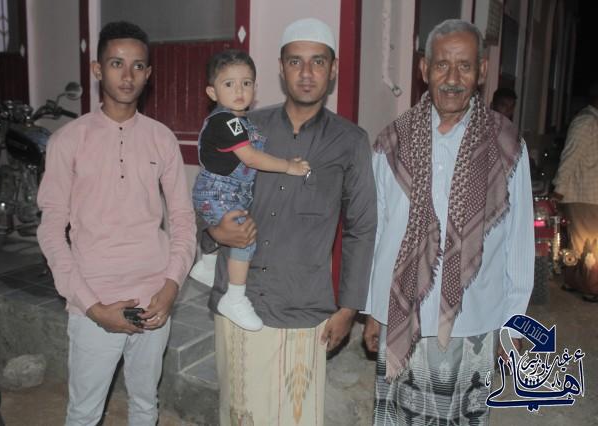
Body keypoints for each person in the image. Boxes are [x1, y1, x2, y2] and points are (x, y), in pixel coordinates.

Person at [198, 18, 377, 425]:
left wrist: (349, 307)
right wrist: (212, 232)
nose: (306, 72)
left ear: (333, 69)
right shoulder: (245, 126)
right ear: (281, 68)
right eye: (295, 61)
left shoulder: (350, 141)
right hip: (240, 301)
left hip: (303, 307)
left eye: (318, 61)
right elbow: (210, 185)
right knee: (239, 415)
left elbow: (361, 227)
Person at [362, 19, 534, 425]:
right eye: (442, 65)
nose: (453, 78)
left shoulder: (506, 145)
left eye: (465, 66)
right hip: (402, 316)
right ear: (424, 69)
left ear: (482, 71)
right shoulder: (392, 141)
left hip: (475, 322)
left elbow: (518, 243)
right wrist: (373, 309)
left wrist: (513, 325)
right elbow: (378, 232)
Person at [36, 21, 196, 425]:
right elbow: (51, 231)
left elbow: (182, 218)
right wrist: (91, 306)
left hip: (154, 300)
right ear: (97, 69)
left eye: (138, 66)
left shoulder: (161, 138)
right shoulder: (68, 140)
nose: (128, 76)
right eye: (116, 63)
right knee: (84, 413)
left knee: (145, 403)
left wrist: (171, 286)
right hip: (95, 300)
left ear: (148, 73)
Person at [193, 49, 310, 331]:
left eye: (246, 83)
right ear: (212, 92)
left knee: (233, 230)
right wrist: (288, 167)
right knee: (245, 237)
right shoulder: (226, 122)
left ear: (255, 88)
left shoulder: (242, 122)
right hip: (219, 192)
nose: (239, 90)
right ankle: (234, 298)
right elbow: (252, 158)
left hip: (226, 192)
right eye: (229, 84)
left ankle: (206, 265)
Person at [553, 82, 598, 300]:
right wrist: (559, 189)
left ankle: (581, 283)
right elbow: (570, 157)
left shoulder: (591, 121)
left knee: (584, 243)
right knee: (584, 244)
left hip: (589, 194)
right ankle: (587, 286)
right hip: (584, 194)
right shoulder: (587, 122)